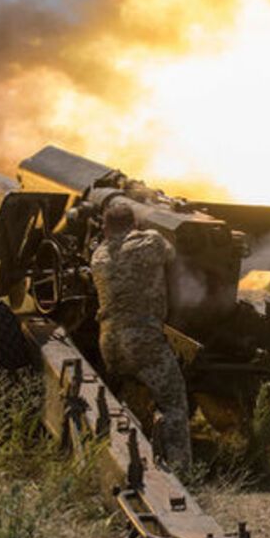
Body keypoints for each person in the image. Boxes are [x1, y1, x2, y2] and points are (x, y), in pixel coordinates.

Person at [89, 200, 192, 469]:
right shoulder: (151, 242)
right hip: (143, 341)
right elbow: (171, 253)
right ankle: (180, 470)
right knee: (174, 403)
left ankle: (127, 457)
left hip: (109, 342)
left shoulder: (98, 255)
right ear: (135, 223)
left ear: (105, 228)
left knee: (129, 399)